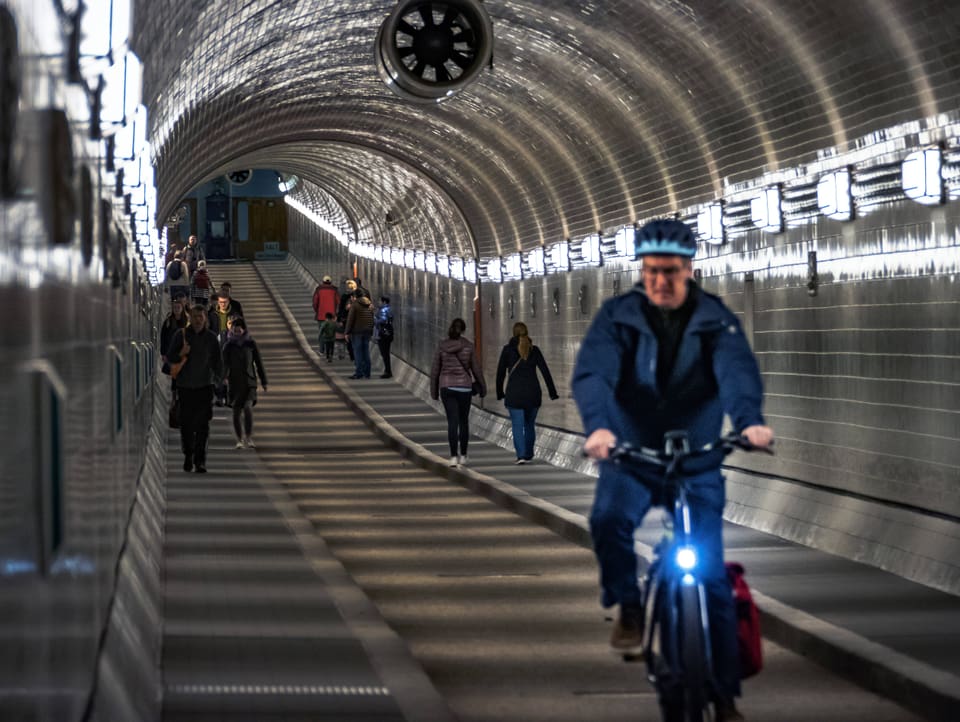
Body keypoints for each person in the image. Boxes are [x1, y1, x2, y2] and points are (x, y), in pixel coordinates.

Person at [572, 218, 773, 722]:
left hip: (697, 459)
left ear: (690, 269)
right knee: (607, 521)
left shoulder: (716, 320)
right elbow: (594, 373)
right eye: (651, 271)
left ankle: (724, 695)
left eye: (671, 272)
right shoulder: (617, 318)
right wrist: (598, 428)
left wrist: (749, 423)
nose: (660, 281)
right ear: (642, 270)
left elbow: (737, 373)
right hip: (633, 456)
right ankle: (629, 604)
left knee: (710, 578)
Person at [166, 305, 223, 473]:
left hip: (205, 387)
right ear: (190, 318)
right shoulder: (181, 336)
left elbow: (218, 362)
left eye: (201, 317)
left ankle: (200, 460)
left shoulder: (211, 339)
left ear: (205, 318)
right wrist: (181, 353)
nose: (198, 320)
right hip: (185, 387)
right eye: (195, 317)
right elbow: (169, 357)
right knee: (187, 424)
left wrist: (218, 381)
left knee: (203, 425)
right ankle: (188, 454)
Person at [495, 321, 559, 464]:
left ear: (513, 333)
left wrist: (499, 392)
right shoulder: (534, 350)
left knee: (517, 425)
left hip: (515, 394)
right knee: (529, 424)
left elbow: (500, 373)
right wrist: (552, 392)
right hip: (533, 394)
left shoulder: (507, 350)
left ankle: (521, 455)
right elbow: (545, 371)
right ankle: (529, 454)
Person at [430, 318, 486, 467]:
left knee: (452, 422)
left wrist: (434, 391)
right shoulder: (468, 346)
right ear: (463, 330)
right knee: (463, 421)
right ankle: (464, 455)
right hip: (464, 388)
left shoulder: (442, 346)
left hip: (446, 387)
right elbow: (476, 369)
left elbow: (435, 370)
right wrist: (482, 386)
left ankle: (453, 456)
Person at [221, 317, 268, 449]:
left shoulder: (251, 344)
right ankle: (239, 439)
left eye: (239, 330)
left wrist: (264, 381)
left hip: (249, 382)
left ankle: (248, 437)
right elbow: (225, 364)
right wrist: (224, 377)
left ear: (243, 330)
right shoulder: (228, 346)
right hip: (235, 383)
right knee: (236, 412)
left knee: (247, 408)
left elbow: (258, 363)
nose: (237, 332)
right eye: (235, 330)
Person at [344, 291, 374, 379]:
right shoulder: (369, 304)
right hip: (367, 331)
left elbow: (350, 319)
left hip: (357, 331)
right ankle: (367, 373)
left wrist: (347, 332)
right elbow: (372, 318)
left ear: (355, 296)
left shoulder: (355, 305)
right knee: (366, 352)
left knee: (358, 353)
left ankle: (359, 373)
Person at [160, 296, 189, 371]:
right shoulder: (168, 321)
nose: (176, 310)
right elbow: (163, 337)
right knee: (174, 372)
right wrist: (163, 353)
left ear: (182, 309)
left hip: (183, 351)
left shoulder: (186, 320)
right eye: (175, 308)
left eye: (178, 307)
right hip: (171, 351)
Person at [313, 275, 340, 348]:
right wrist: (337, 314)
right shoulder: (334, 290)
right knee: (331, 333)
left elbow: (315, 302)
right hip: (332, 316)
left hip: (321, 315)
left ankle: (322, 349)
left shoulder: (318, 289)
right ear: (330, 282)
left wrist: (317, 311)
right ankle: (330, 350)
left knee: (322, 333)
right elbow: (339, 302)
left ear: (323, 281)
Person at [336, 279, 358, 361]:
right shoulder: (358, 296)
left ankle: (352, 355)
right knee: (352, 338)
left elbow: (341, 309)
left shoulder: (345, 297)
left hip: (347, 321)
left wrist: (340, 319)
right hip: (356, 321)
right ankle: (354, 355)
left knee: (348, 338)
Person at [373, 295, 394, 378]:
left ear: (384, 302)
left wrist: (375, 320)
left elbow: (382, 320)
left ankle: (388, 371)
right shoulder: (389, 309)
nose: (378, 302)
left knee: (384, 353)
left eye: (380, 301)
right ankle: (387, 371)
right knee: (386, 353)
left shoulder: (383, 310)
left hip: (383, 334)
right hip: (388, 334)